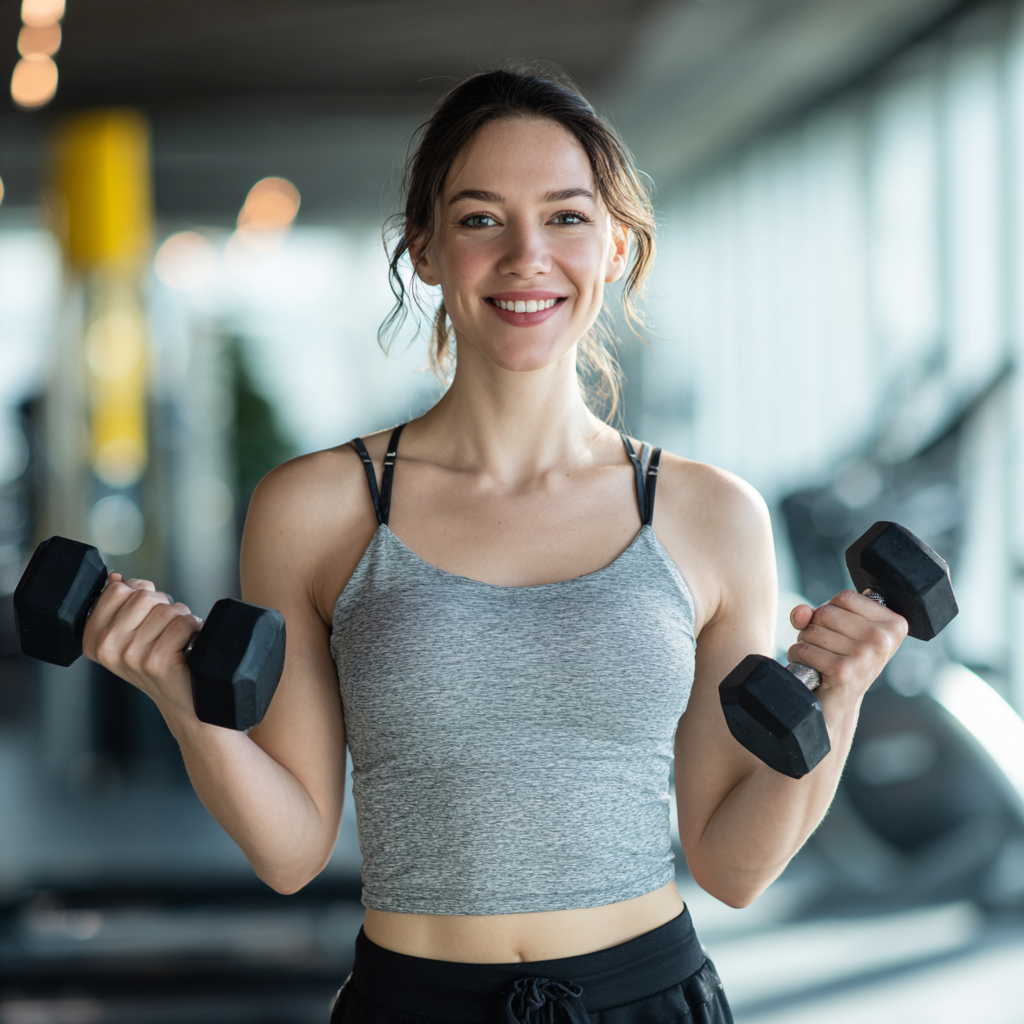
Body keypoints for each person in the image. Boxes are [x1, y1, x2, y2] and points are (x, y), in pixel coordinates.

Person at [83, 66, 909, 1023]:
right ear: (425, 250)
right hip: (414, 1000)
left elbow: (731, 866)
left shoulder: (710, 515)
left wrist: (839, 699)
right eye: (481, 219)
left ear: (617, 249)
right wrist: (189, 710)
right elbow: (291, 848)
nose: (528, 255)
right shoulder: (317, 508)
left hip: (647, 996)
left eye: (566, 217)